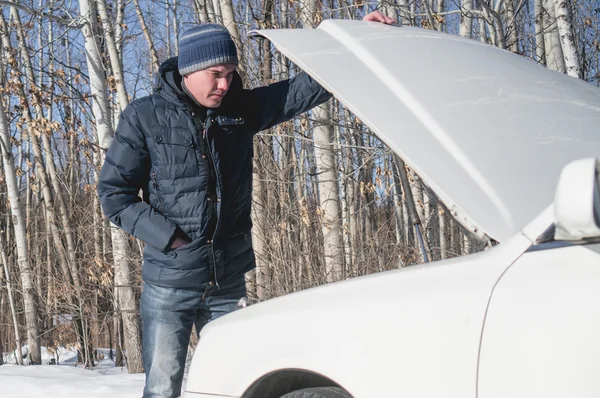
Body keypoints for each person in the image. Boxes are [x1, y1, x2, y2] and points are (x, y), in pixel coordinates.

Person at [97, 10, 394, 398]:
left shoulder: (239, 112)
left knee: (234, 385)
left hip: (227, 281)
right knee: (161, 387)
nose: (225, 83)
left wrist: (355, 42)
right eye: (216, 74)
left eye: (230, 73)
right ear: (189, 71)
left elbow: (303, 90)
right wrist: (170, 239)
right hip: (169, 284)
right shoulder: (144, 117)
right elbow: (114, 195)